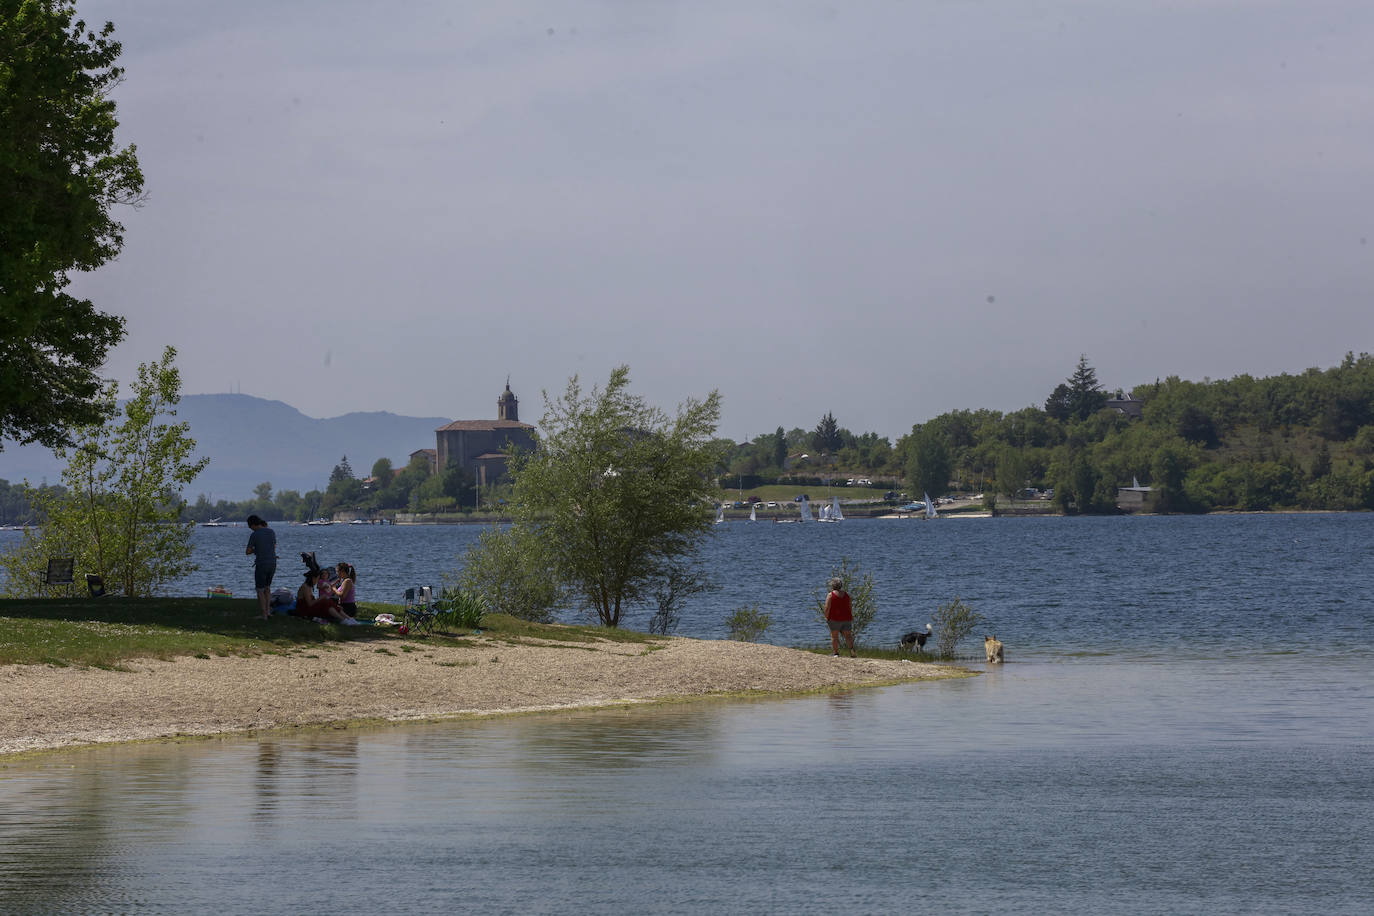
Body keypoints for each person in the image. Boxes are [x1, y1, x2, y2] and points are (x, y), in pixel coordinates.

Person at [245, 515, 277, 620]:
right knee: (267, 588)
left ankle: (263, 615)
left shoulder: (254, 534)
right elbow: (274, 547)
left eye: (250, 527)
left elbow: (248, 551)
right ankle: (268, 612)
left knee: (260, 590)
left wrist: (256, 549)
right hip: (272, 563)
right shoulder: (271, 532)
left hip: (261, 564)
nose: (250, 528)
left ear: (253, 525)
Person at [824, 576, 856, 658]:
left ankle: (836, 653)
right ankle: (852, 651)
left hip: (834, 618)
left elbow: (827, 608)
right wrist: (851, 615)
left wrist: (826, 617)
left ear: (832, 586)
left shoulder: (830, 595)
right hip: (847, 618)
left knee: (834, 636)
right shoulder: (846, 594)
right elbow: (850, 606)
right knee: (848, 636)